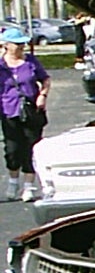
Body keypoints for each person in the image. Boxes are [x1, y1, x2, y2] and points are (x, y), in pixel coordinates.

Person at [0, 26, 49, 202]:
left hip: (31, 110)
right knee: (12, 149)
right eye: (17, 44)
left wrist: (42, 96)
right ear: (6, 45)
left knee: (31, 146)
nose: (22, 47)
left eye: (23, 43)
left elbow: (45, 79)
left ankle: (29, 186)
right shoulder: (1, 65)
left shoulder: (30, 61)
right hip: (8, 110)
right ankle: (13, 181)